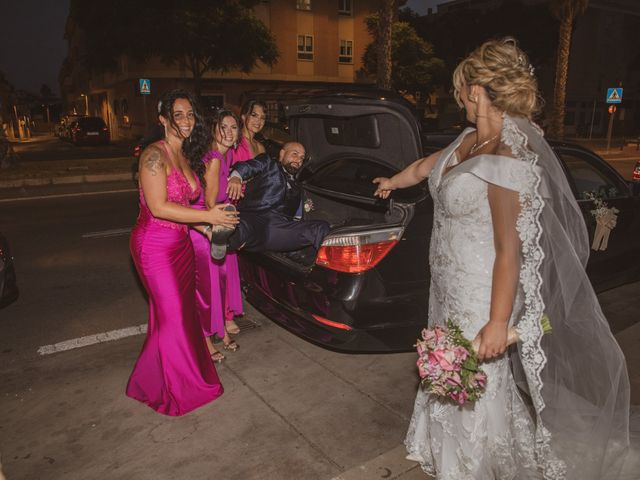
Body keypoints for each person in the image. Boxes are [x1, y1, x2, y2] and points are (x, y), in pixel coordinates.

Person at [374, 38, 632, 479]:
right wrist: (392, 181)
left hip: (483, 288)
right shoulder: (467, 139)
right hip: (448, 285)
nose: (457, 96)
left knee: (477, 378)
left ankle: (476, 464)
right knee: (447, 365)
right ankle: (442, 445)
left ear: (476, 89)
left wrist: (497, 322)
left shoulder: (506, 156)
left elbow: (508, 248)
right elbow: (425, 167)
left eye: (460, 88)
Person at [126, 89, 239, 416]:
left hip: (181, 244)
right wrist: (209, 216)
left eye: (190, 114)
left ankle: (149, 380)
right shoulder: (153, 156)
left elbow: (186, 206)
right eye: (178, 115)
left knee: (177, 315)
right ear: (163, 120)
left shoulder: (186, 157)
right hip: (154, 247)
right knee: (173, 315)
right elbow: (160, 207)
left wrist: (206, 228)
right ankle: (181, 390)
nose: (186, 121)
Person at [185, 109, 244, 361]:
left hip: (217, 226)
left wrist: (236, 178)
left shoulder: (227, 154)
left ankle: (219, 330)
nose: (230, 133)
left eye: (234, 128)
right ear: (213, 130)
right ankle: (206, 339)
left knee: (219, 284)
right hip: (204, 229)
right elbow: (209, 204)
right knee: (207, 288)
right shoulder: (214, 158)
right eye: (224, 127)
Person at [220, 141, 329, 257]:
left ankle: (328, 266)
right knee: (243, 228)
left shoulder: (298, 187)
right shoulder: (269, 163)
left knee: (321, 228)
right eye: (295, 154)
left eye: (302, 158)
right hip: (257, 216)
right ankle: (223, 238)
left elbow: (297, 218)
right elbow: (249, 166)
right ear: (282, 154)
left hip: (280, 229)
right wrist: (236, 177)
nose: (298, 160)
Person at [231, 99, 267, 165]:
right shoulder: (234, 141)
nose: (258, 121)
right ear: (243, 117)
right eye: (254, 115)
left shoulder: (261, 148)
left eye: (262, 117)